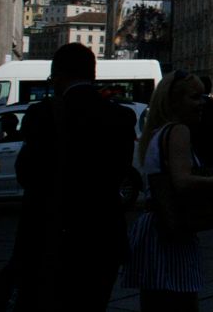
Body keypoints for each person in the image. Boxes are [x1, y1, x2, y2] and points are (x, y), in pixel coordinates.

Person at [10, 43, 137, 311]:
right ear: (93, 75)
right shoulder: (121, 116)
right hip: (102, 237)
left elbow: (26, 174)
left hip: (51, 234)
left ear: (57, 75)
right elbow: (122, 171)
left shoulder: (41, 114)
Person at [122, 71, 213, 310]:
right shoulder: (179, 131)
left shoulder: (157, 131)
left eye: (202, 96)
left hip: (153, 227)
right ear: (174, 101)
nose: (201, 103)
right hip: (170, 230)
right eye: (194, 97)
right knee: (182, 301)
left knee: (155, 302)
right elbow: (182, 181)